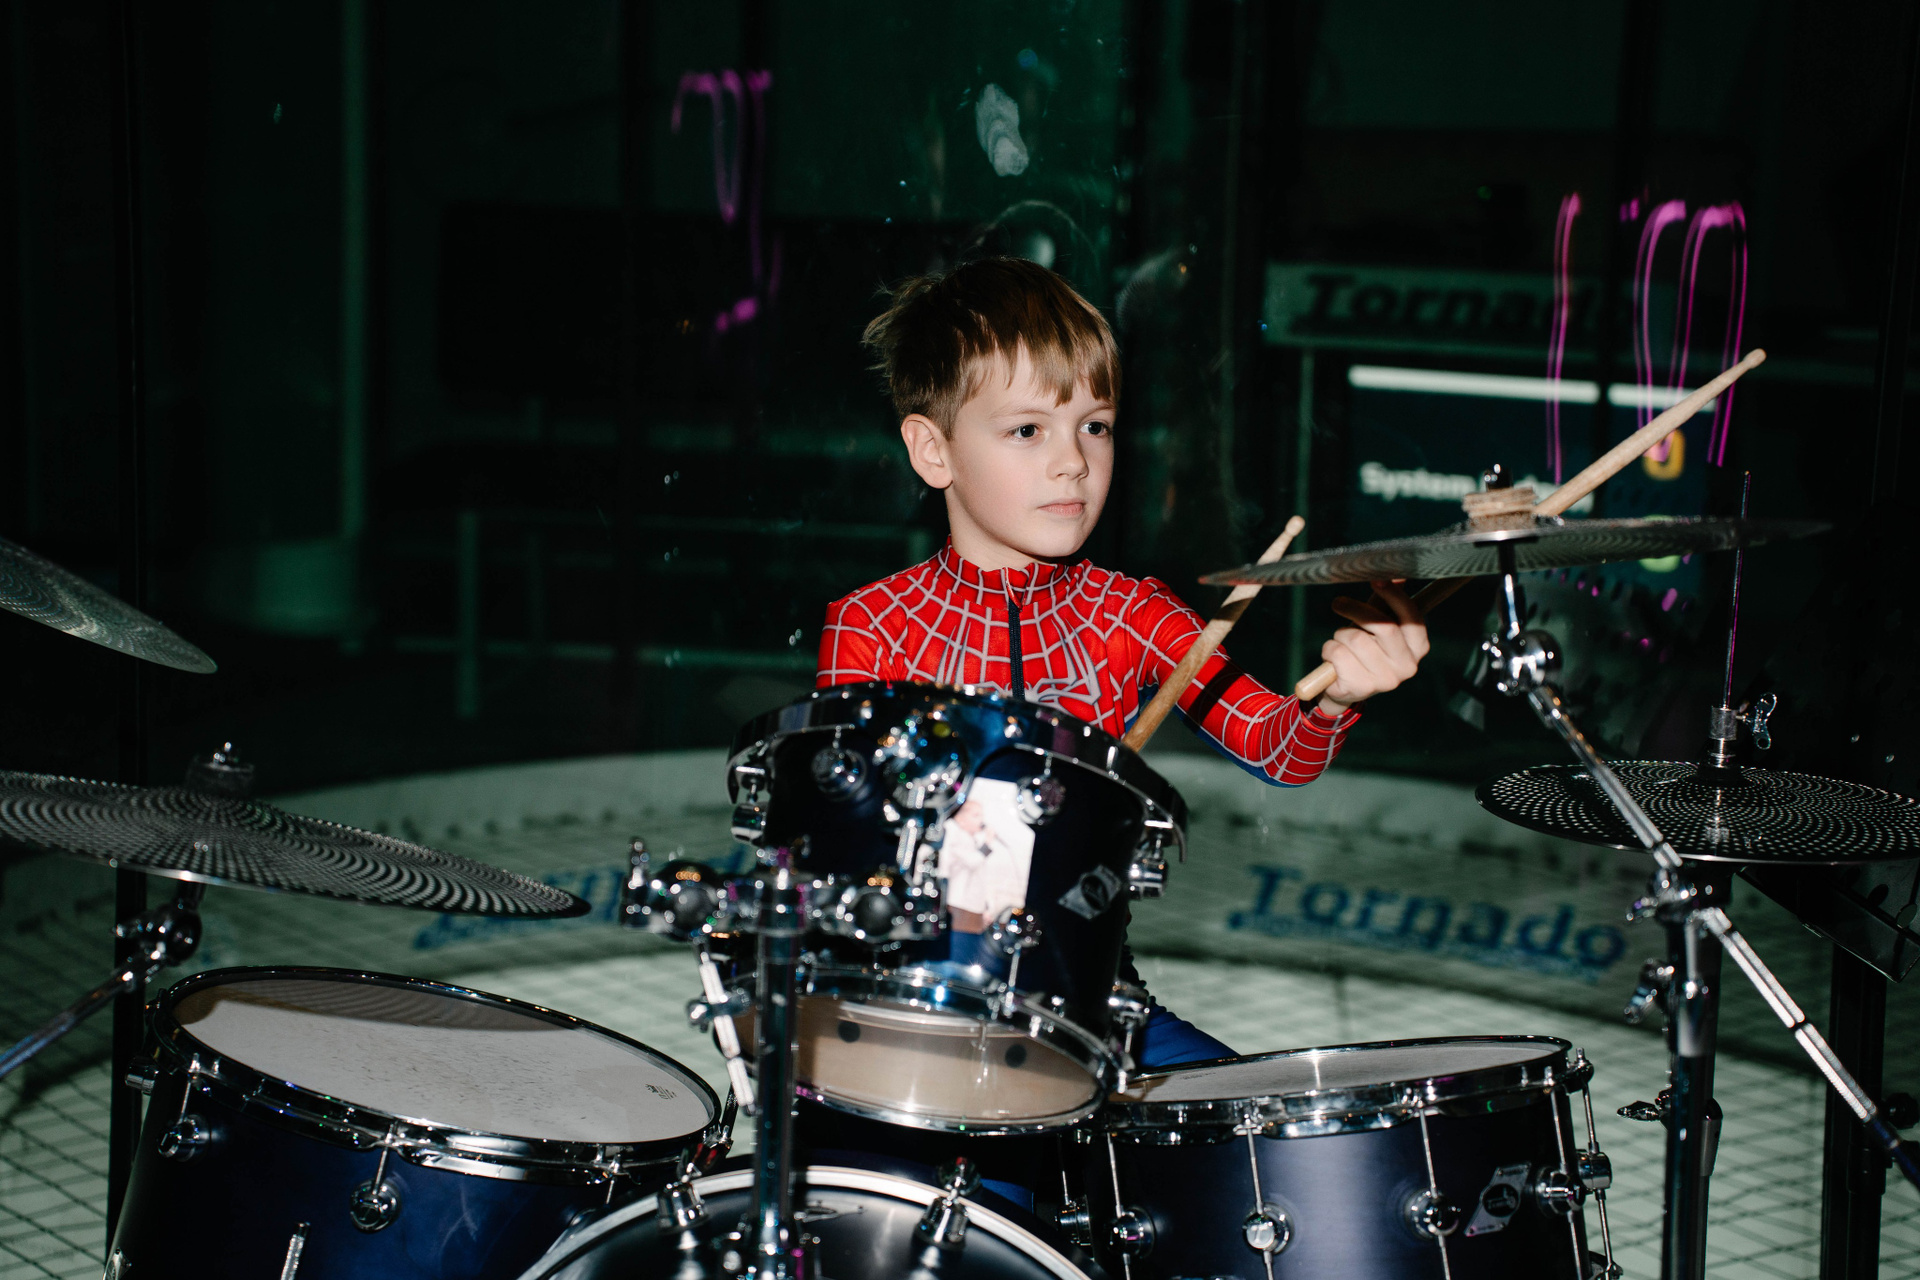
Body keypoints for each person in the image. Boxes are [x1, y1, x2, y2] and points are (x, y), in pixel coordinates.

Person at [804, 255, 1430, 1204]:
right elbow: (844, 846)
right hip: (914, 1018)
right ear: (933, 452)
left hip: (1095, 1008)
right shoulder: (872, 625)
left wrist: (1338, 695)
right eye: (1027, 429)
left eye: (1094, 426)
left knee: (1280, 1169)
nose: (1073, 461)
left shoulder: (1134, 613)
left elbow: (1276, 746)